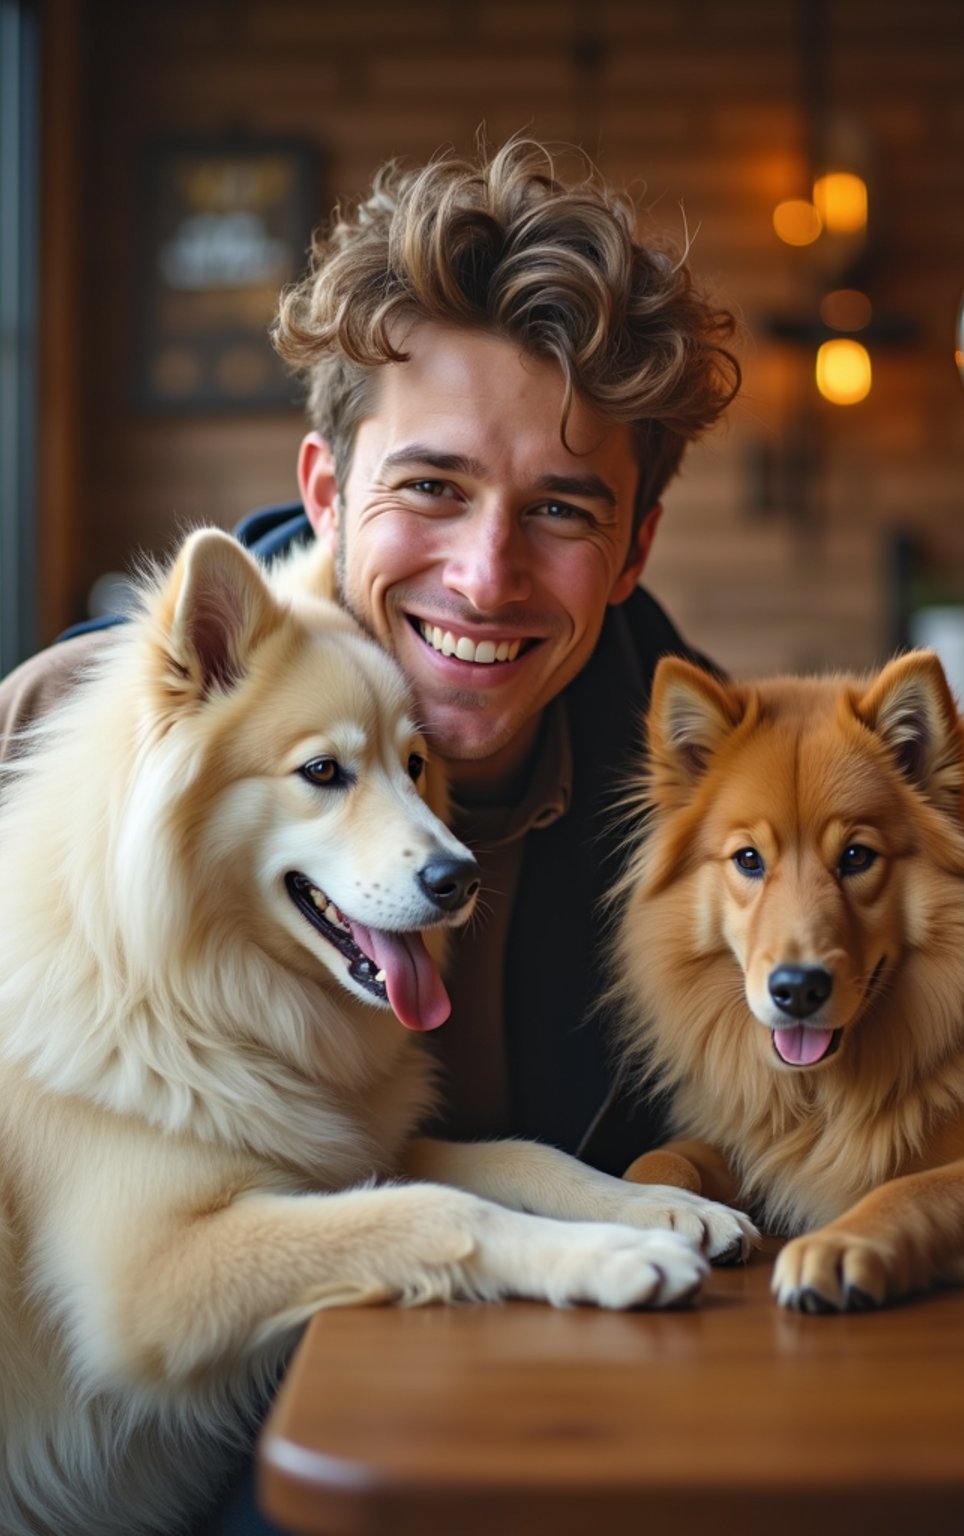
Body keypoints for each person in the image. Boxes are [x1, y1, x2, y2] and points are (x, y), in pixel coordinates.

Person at [0, 137, 740, 1533]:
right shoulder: (61, 734)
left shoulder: (713, 811)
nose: (484, 573)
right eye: (432, 485)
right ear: (329, 492)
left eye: (564, 509)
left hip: (553, 1422)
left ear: (634, 552)